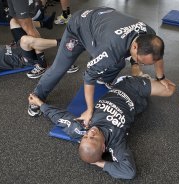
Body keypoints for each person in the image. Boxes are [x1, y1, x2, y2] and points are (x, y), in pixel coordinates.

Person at [28, 7, 169, 127]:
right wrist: (89, 110)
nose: (142, 65)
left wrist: (161, 77)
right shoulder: (112, 49)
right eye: (140, 61)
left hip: (102, 24)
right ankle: (36, 97)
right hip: (78, 28)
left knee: (118, 61)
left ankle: (105, 78)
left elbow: (157, 56)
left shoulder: (151, 37)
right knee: (59, 68)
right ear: (134, 46)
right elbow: (89, 76)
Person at [28, 75, 176, 179]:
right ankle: (142, 76)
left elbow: (59, 118)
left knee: (158, 84)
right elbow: (129, 172)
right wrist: (99, 163)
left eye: (86, 137)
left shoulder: (80, 130)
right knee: (170, 89)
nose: (90, 133)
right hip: (137, 96)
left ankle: (137, 74)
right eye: (93, 138)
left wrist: (40, 104)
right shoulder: (117, 144)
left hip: (122, 84)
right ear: (104, 147)